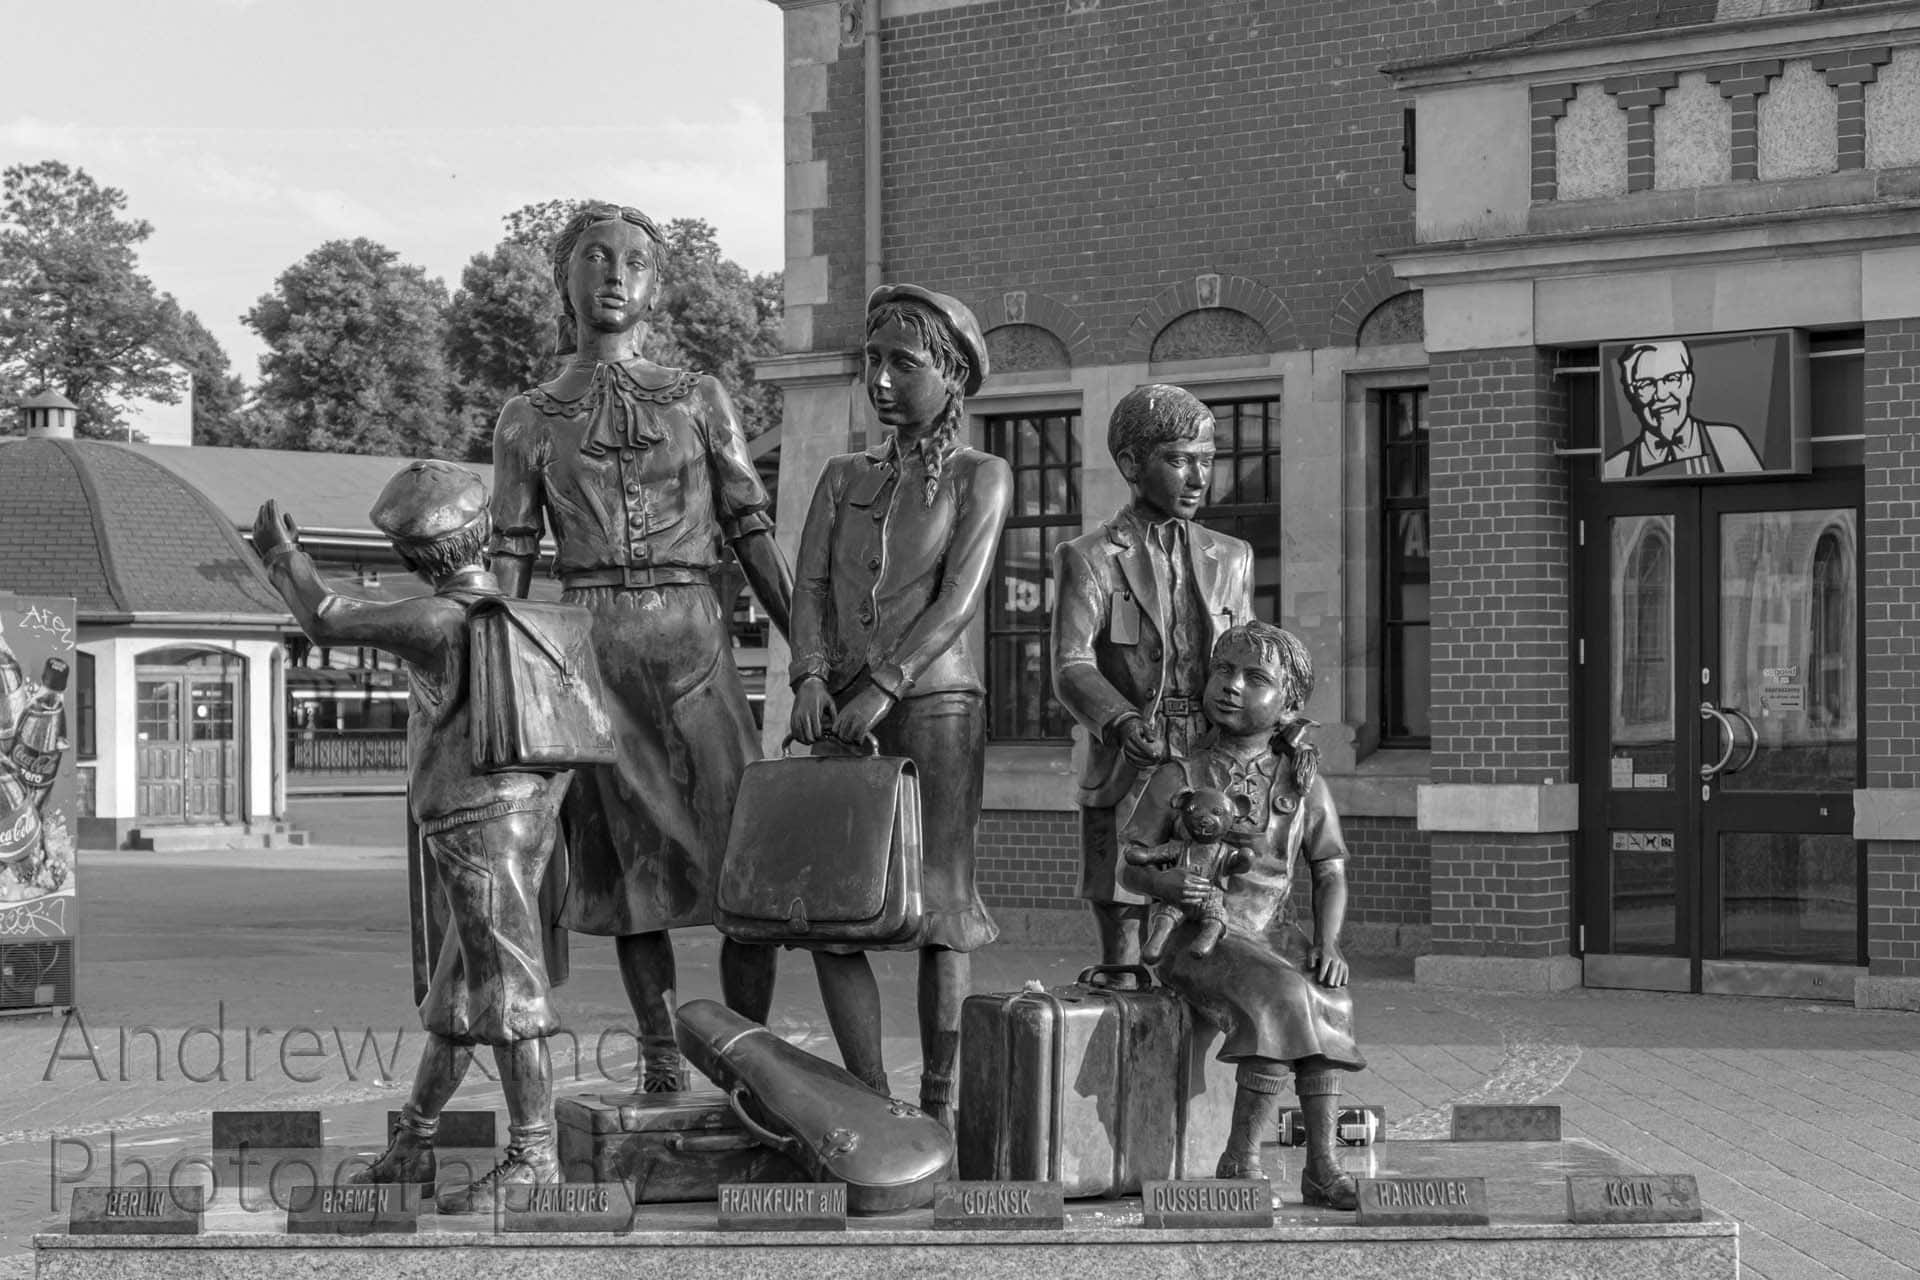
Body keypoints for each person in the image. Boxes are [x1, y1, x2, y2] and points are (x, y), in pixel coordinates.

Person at [488, 203, 793, 1093]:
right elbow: (510, 553)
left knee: (746, 865)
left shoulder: (700, 396)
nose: (615, 274)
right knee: (629, 877)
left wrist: (807, 649)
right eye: (594, 257)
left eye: (634, 262)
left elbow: (749, 524)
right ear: (565, 278)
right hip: (592, 656)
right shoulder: (528, 417)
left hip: (694, 643)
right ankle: (661, 1061)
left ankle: (748, 1060)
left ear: (656, 285)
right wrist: (492, 675)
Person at [250, 462, 568, 1212]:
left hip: (477, 828)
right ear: (484, 535)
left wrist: (282, 558)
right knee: (457, 999)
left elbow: (326, 615)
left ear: (411, 557)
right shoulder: (526, 615)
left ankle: (535, 1159)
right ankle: (413, 1144)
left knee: (511, 992)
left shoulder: (439, 620)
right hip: (523, 818)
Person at [787, 283, 1011, 1125]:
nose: (878, 380)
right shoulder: (843, 476)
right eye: (870, 362)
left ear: (950, 374)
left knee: (942, 910)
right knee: (835, 914)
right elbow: (808, 583)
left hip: (937, 708)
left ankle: (942, 1103)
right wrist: (811, 675)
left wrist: (888, 683)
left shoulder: (979, 475)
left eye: (900, 363)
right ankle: (870, 1096)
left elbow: (960, 597)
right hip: (835, 710)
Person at [1120, 621, 1366, 1210]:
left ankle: (1322, 1166)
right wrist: (1166, 881)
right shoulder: (1180, 775)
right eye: (1224, 671)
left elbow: (1329, 867)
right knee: (1281, 994)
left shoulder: (1301, 784)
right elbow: (1129, 865)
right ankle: (1240, 1162)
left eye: (1255, 679)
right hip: (1194, 934)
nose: (1231, 686)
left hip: (1272, 930)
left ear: (1287, 706)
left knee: (1330, 1000)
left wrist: (1329, 945)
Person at [1051, 384, 1254, 982]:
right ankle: (1119, 979)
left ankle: (1193, 984)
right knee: (1123, 874)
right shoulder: (1089, 557)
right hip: (1132, 745)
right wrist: (1118, 719)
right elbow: (1071, 663)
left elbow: (1249, 651)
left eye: (1207, 461)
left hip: (1207, 745)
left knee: (1205, 872)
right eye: (1179, 459)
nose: (1198, 478)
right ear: (1132, 464)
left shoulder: (1232, 555)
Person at [1604, 338, 1763, 480]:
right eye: (1646, 384)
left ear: (1688, 382)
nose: (1661, 394)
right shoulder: (1618, 466)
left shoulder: (1728, 442)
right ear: (1632, 394)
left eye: (1671, 379)